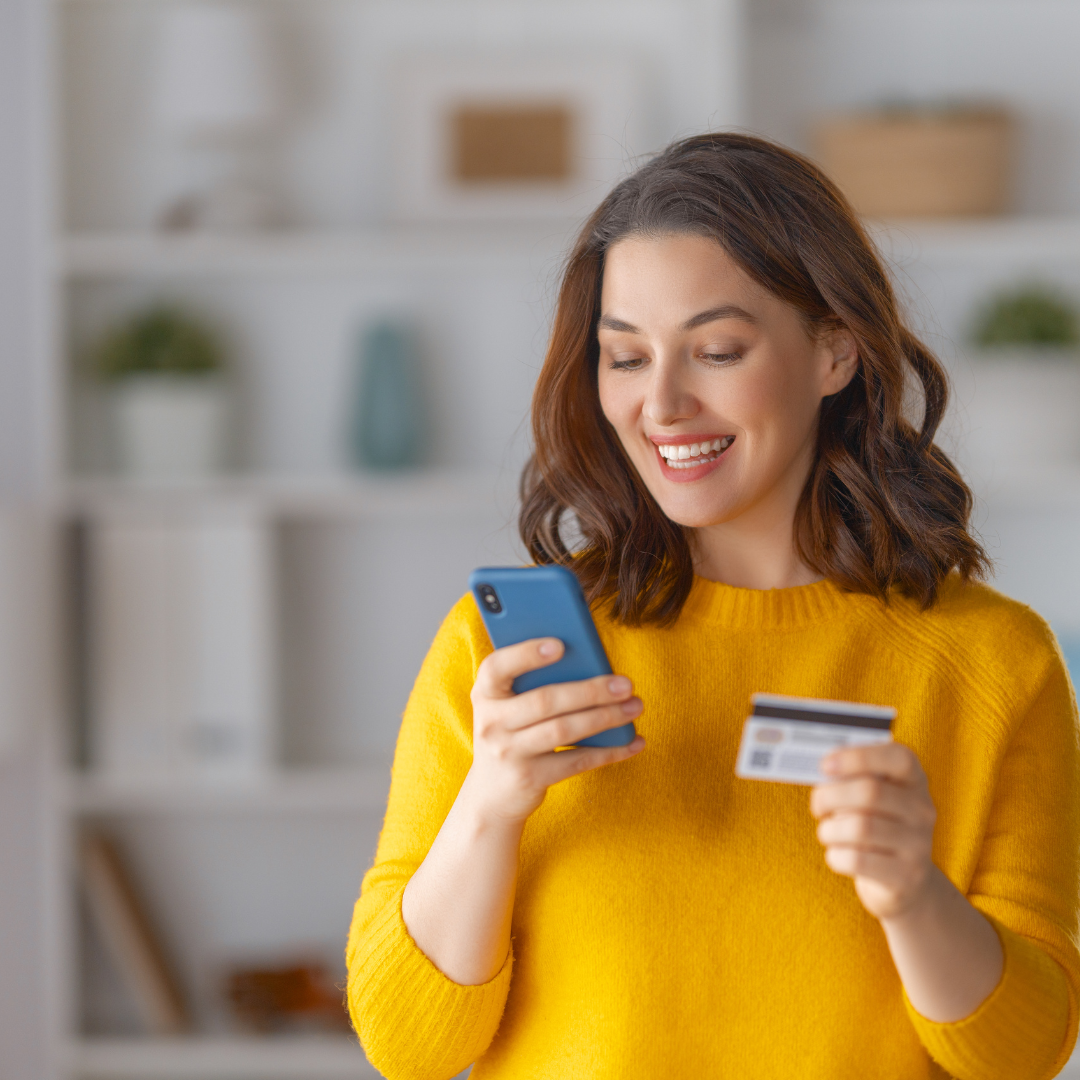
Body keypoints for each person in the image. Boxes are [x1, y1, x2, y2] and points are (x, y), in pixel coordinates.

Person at [346, 133, 1080, 1080]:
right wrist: (489, 807)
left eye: (717, 351)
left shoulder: (994, 665)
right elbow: (405, 1047)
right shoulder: (505, 663)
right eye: (625, 357)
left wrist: (912, 892)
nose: (662, 404)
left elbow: (1022, 1053)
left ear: (835, 351)